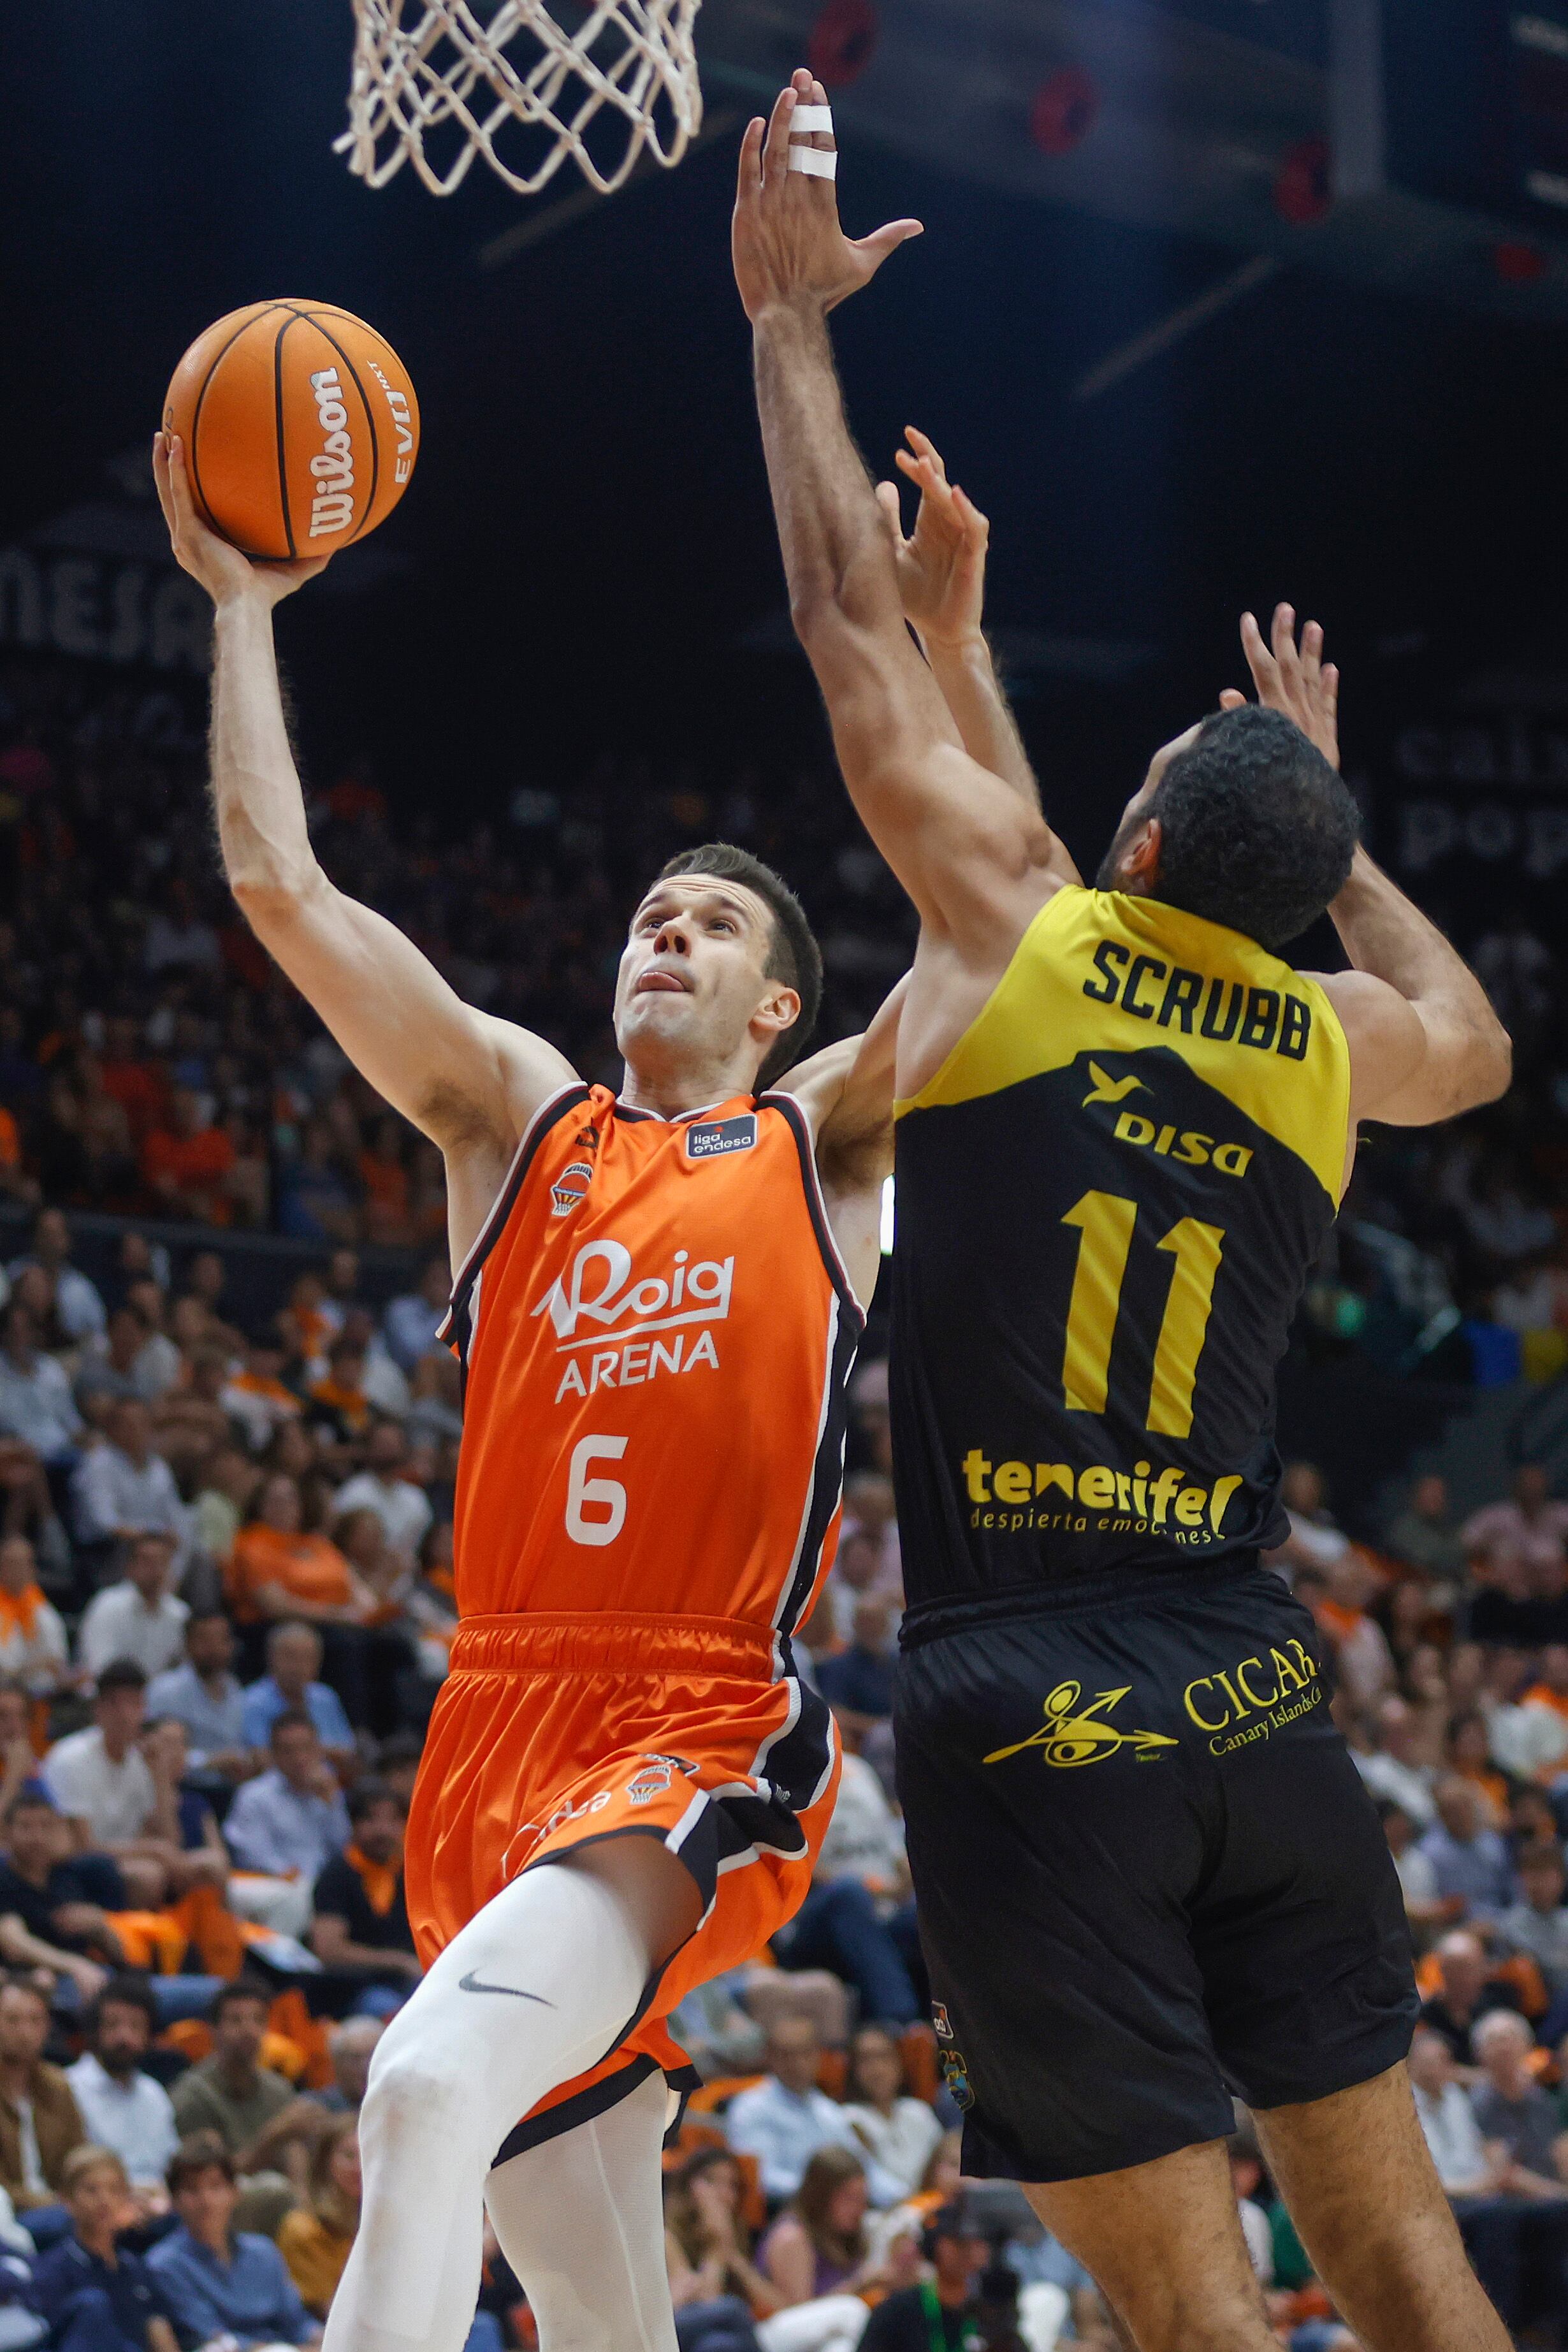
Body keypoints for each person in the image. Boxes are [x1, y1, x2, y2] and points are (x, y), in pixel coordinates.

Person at [733, 69, 1516, 2352]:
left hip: (1027, 1700)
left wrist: (788, 330)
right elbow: (1458, 1022)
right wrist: (1326, 804)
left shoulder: (1027, 944)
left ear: (1141, 851)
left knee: (1185, 2299)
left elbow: (828, 629)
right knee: (1397, 2258)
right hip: (1254, 1680)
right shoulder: (1319, 1049)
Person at [156, 421, 904, 2352]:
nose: (666, 929)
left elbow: (989, 943)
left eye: (715, 923)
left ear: (773, 1009)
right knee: (591, 2300)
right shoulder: (513, 1122)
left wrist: (917, 662)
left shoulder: (818, 1147)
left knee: (415, 2095)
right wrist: (243, 607)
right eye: (652, 911)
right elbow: (282, 887)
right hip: (488, 1730)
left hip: (682, 1718)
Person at [149, 2130, 319, 2349]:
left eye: (215, 2187)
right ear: (175, 2201)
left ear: (235, 2193)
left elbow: (297, 2322)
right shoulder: (165, 2264)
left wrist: (319, 2339)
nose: (206, 2201)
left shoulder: (263, 2250)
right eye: (192, 2190)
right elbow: (211, 2335)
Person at [728, 2021, 903, 2208]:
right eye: (787, 2055)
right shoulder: (751, 2108)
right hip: (786, 2214)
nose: (798, 2064)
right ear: (770, 2057)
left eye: (806, 2053)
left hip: (839, 2211)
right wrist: (826, 2193)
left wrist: (904, 2197)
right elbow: (762, 2179)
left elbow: (864, 2169)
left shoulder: (829, 2111)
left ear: (819, 2056)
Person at [31, 2146, 179, 2352]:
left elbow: (159, 2332)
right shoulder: (51, 2270)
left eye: (115, 2190)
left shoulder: (134, 2266)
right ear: (67, 2199)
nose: (105, 2200)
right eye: (92, 2190)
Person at [0, 1794, 119, 2007]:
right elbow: (13, 1941)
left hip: (96, 1977)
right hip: (27, 1983)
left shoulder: (72, 1874)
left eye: (46, 1827)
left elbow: (118, 1953)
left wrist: (100, 1927)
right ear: (7, 1832)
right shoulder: (5, 1878)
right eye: (26, 1827)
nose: (37, 1837)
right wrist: (74, 1965)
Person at [63, 1980, 178, 2195]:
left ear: (148, 2036)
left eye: (135, 2026)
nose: (124, 2037)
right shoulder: (69, 2087)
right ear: (95, 2031)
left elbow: (170, 2164)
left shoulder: (153, 2093)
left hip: (160, 2203)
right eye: (113, 2025)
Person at [759, 2148, 903, 2309]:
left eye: (863, 2198)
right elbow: (799, 2316)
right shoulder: (792, 2238)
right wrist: (860, 2284)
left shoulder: (846, 2235)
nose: (860, 2208)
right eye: (850, 2198)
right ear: (821, 2196)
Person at [310, 1783, 419, 1995]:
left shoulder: (412, 1870)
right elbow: (328, 1949)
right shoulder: (338, 1874)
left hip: (413, 1979)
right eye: (371, 1820)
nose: (383, 1830)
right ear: (354, 1824)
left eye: (392, 1820)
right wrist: (397, 1961)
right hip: (358, 1987)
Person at [222, 1711, 351, 1885]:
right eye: (288, 1751)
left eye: (306, 1748)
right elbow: (254, 1855)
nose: (300, 1758)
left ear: (319, 1750)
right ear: (273, 1754)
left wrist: (332, 1804)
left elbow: (344, 1849)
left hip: (327, 1887)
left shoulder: (329, 1789)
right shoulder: (253, 1796)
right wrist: (295, 1879)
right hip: (278, 1885)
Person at [170, 1983, 295, 2157]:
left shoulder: (280, 2091)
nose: (249, 2030)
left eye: (258, 2020)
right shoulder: (192, 2096)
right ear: (214, 2029)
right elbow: (203, 2179)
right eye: (236, 2020)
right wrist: (273, 2137)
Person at [0, 1975, 85, 2213]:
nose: (25, 2032)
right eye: (12, 2020)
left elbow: (78, 2159)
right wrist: (55, 2204)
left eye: (35, 2021)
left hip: (60, 2208)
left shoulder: (58, 2086)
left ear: (47, 2027)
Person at [856, 2204, 989, 2352]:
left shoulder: (992, 2311)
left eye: (976, 2242)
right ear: (934, 2245)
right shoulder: (896, 2312)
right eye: (958, 2242)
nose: (968, 2251)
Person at [838, 2026, 944, 2203]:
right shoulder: (847, 2118)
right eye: (866, 2060)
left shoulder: (918, 2111)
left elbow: (942, 2163)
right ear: (853, 2069)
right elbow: (870, 2183)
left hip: (930, 2204)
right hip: (879, 2213)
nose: (877, 2069)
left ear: (899, 2063)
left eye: (884, 2057)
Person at [145, 1614, 250, 1783]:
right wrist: (209, 1761)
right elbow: (152, 1750)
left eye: (221, 1640)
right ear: (187, 1644)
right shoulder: (165, 1690)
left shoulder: (234, 1689)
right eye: (204, 1640)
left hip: (229, 1789)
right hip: (182, 1787)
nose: (214, 1649)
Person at [238, 1624, 354, 1773]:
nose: (299, 1666)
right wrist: (323, 1753)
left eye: (308, 1658)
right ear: (271, 1657)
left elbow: (348, 1755)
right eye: (291, 1656)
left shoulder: (325, 1697)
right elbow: (262, 1760)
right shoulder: (253, 1701)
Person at [277, 2117, 360, 2321]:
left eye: (366, 2156)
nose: (359, 2167)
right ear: (325, 2162)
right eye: (349, 2156)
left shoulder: (381, 2224)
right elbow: (327, 2311)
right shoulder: (302, 2228)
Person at [75, 1535, 188, 1685]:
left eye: (163, 1562)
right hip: (111, 1695)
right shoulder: (107, 1605)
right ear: (130, 1567)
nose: (156, 1571)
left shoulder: (180, 1614)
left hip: (158, 1701)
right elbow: (99, 1668)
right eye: (148, 1562)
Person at [0, 1538, 68, 1695]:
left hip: (39, 1696)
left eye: (21, 1564)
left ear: (32, 1569)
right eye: (10, 1564)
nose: (16, 1571)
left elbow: (55, 1661)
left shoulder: (44, 1612)